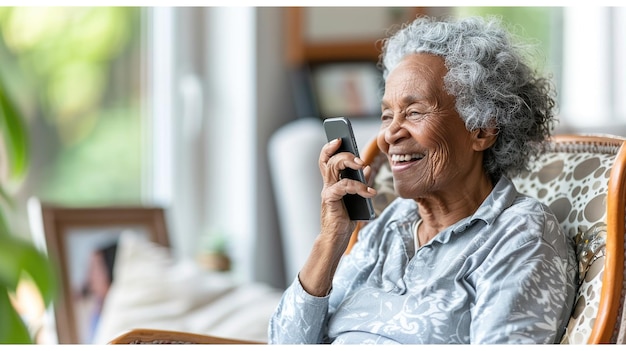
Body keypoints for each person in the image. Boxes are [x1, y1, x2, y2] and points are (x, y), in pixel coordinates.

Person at [268, 15, 577, 344]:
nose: (388, 135)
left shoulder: (519, 233)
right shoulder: (391, 225)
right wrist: (330, 239)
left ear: (483, 130)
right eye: (387, 115)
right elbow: (283, 342)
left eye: (414, 112)